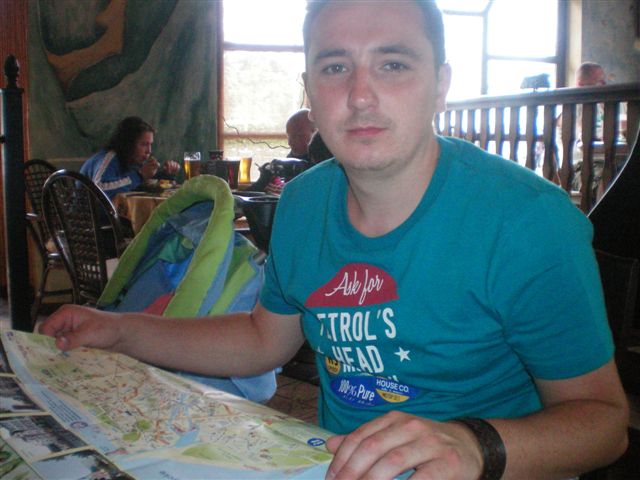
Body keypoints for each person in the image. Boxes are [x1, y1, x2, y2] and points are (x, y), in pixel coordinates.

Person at [41, 2, 629, 479]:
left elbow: (603, 423)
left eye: (393, 64)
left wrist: (474, 446)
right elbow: (262, 340)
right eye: (334, 67)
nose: (361, 94)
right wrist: (118, 329)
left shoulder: (528, 223)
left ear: (440, 85)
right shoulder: (302, 202)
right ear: (310, 89)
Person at [80, 116, 179, 200]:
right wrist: (140, 175)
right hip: (92, 216)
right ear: (128, 144)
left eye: (150, 144)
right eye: (144, 144)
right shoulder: (110, 157)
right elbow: (99, 188)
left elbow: (129, 184)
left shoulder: (132, 161)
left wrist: (166, 175)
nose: (149, 151)